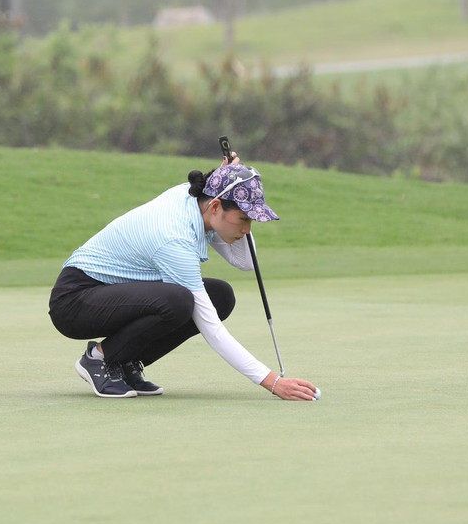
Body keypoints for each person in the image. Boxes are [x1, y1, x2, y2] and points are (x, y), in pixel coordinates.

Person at [48, 159, 320, 400]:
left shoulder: (198, 200)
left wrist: (231, 179)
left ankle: (125, 361)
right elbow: (211, 329)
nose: (247, 229)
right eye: (243, 219)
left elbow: (246, 262)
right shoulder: (174, 238)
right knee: (178, 300)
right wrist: (272, 382)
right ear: (215, 206)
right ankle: (100, 359)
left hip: (115, 292)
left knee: (220, 295)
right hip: (76, 300)